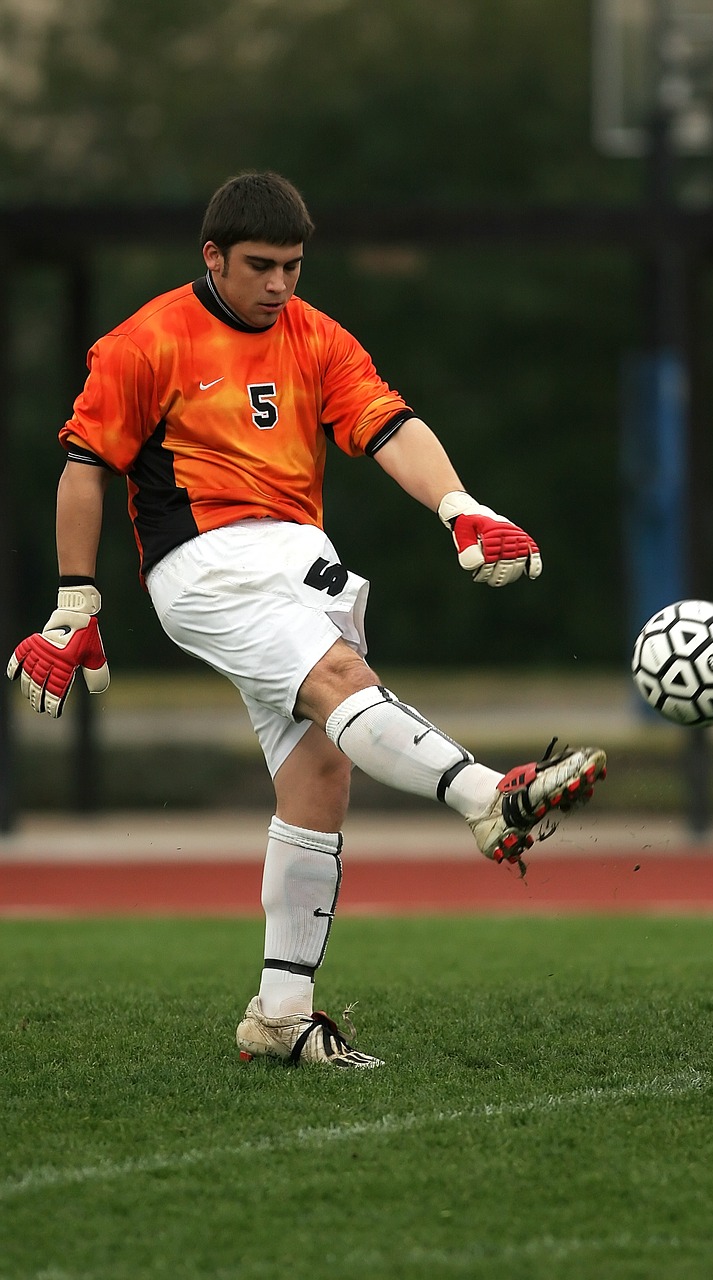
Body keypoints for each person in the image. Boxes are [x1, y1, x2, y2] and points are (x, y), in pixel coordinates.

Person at [7, 171, 606, 1069]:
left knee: (322, 772)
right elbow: (86, 465)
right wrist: (74, 601)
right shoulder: (145, 341)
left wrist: (459, 506)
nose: (279, 283)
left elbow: (386, 423)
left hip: (300, 564)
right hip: (206, 565)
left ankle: (281, 1016)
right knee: (342, 685)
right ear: (212, 256)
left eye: (292, 265)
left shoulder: (316, 335)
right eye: (260, 266)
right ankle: (491, 799)